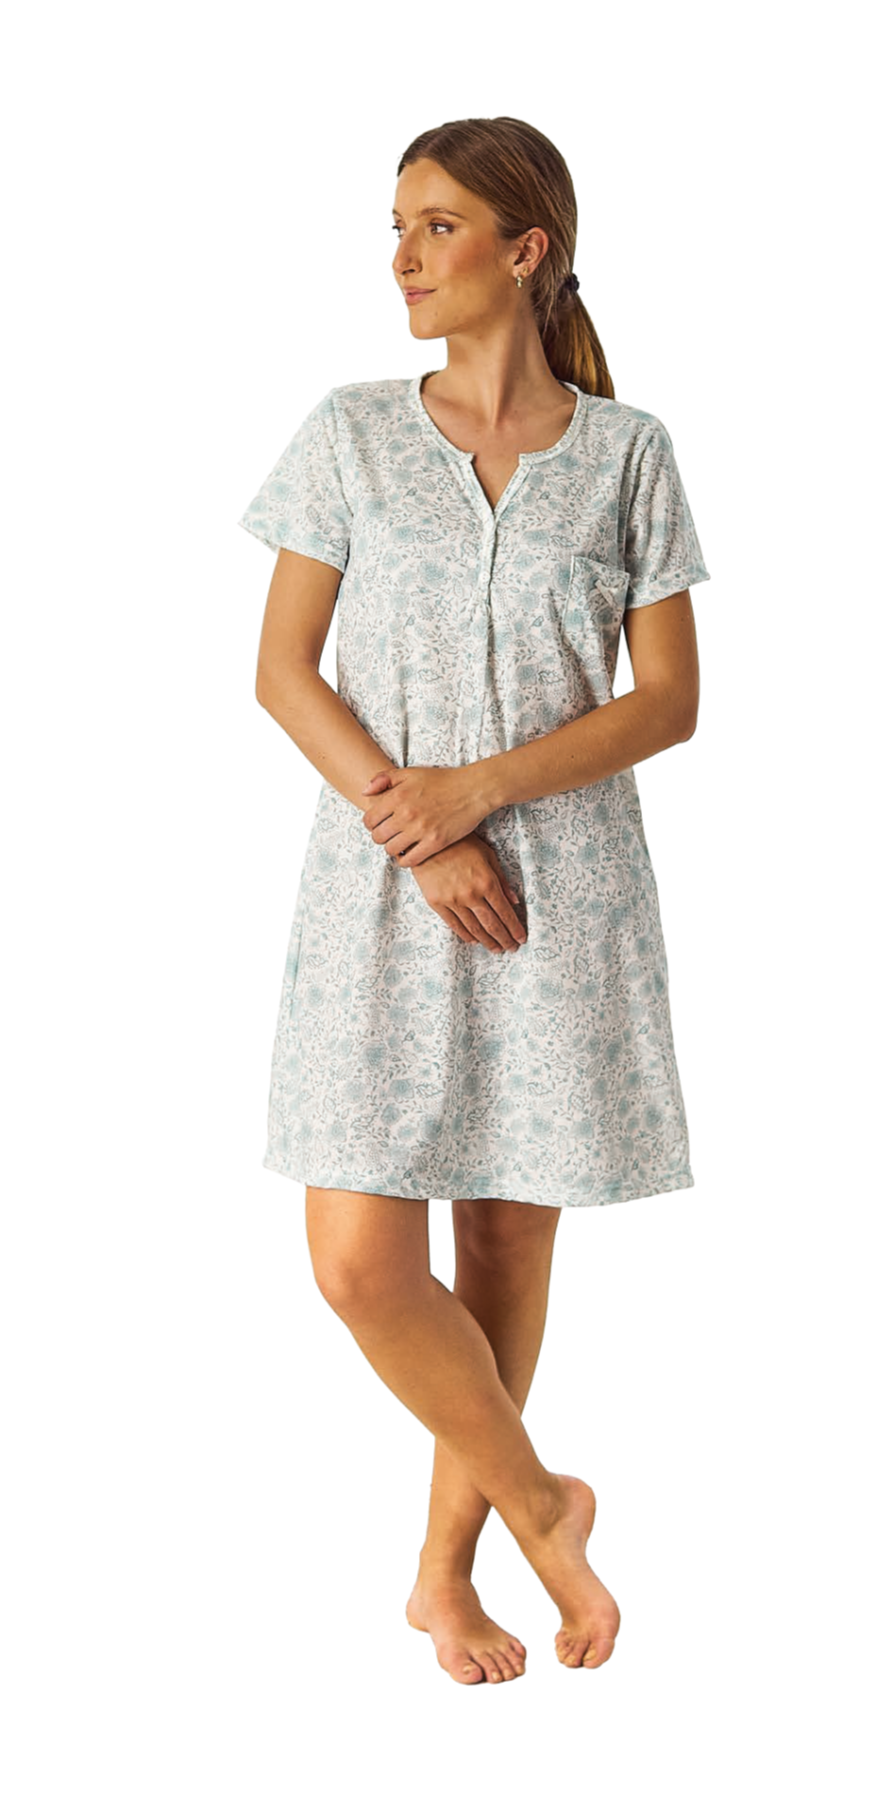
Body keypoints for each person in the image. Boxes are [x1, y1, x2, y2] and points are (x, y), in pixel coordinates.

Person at [237, 115, 711, 1685]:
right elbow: (281, 672)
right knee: (359, 1263)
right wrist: (417, 827)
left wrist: (480, 793)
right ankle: (543, 1506)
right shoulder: (350, 435)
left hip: (559, 896)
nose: (401, 257)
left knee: (502, 1258)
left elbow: (667, 702)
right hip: (383, 889)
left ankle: (444, 1581)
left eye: (434, 226)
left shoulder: (628, 453)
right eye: (394, 225)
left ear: (525, 250)